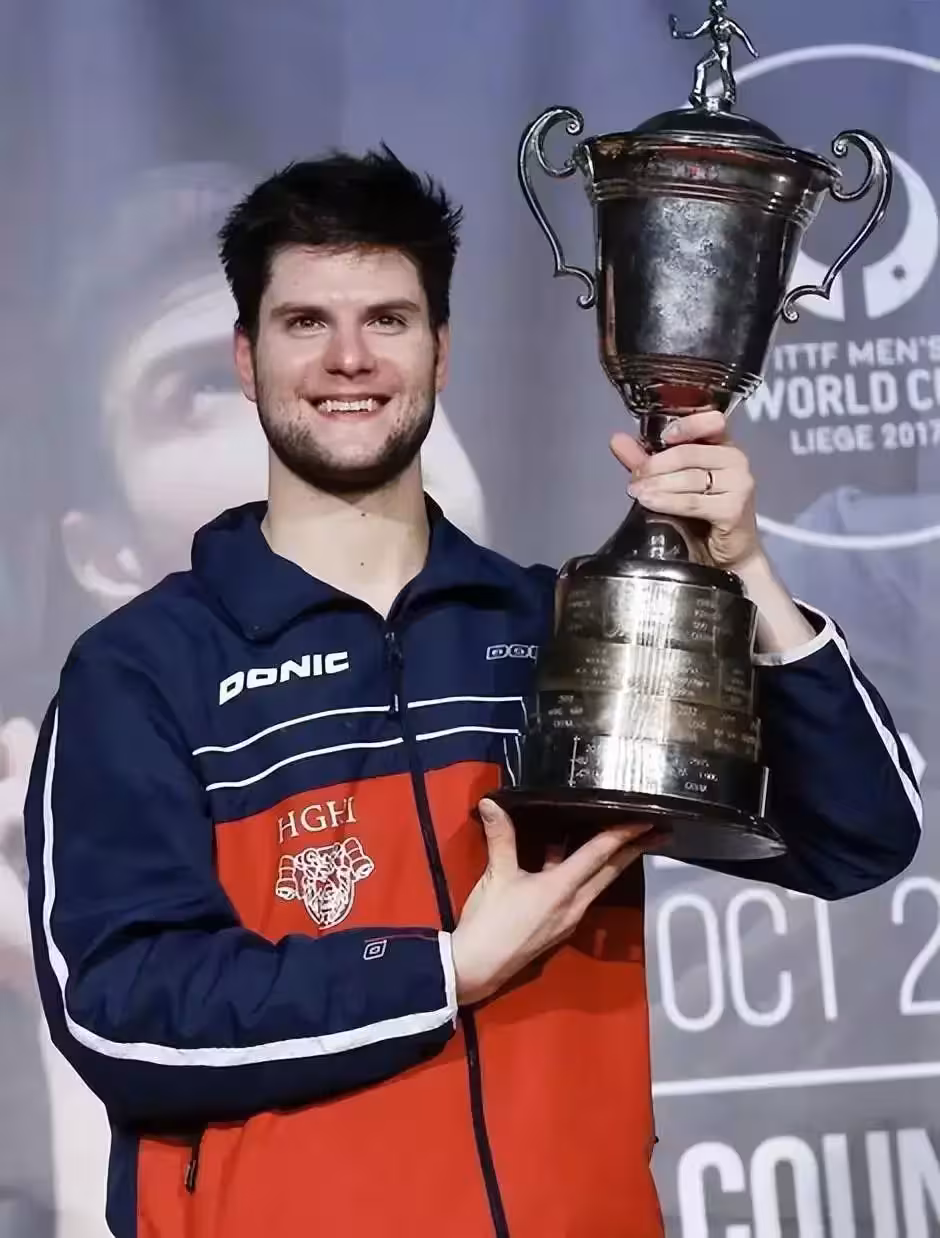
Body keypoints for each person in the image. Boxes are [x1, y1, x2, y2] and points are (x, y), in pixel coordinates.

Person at [23, 147, 920, 1238]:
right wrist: (444, 968)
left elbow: (855, 835)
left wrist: (748, 575)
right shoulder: (141, 671)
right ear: (249, 357)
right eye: (305, 321)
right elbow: (122, 1013)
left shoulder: (555, 629)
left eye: (388, 319)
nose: (349, 358)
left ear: (440, 353)